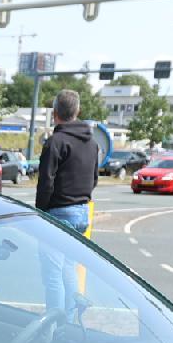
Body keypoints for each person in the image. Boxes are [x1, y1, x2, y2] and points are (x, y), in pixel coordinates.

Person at [34, 89, 102, 314]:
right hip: (82, 212)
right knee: (68, 269)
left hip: (59, 212)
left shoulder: (56, 142)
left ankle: (55, 325)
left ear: (55, 113)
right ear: (78, 111)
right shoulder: (92, 143)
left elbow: (46, 182)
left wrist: (40, 212)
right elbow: (93, 179)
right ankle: (71, 322)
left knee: (53, 274)